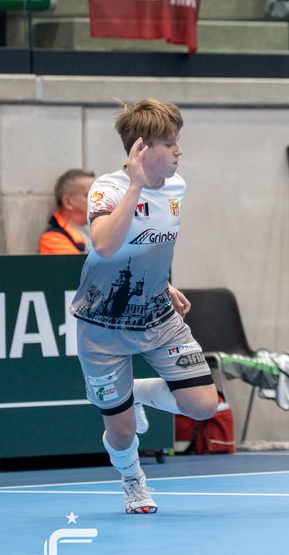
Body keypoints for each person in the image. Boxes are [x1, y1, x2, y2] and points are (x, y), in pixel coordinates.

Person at [70, 99, 218, 514]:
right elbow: (104, 245)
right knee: (120, 433)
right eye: (169, 143)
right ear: (141, 148)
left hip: (157, 316)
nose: (178, 150)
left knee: (204, 405)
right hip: (102, 324)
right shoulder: (109, 189)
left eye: (177, 141)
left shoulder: (176, 187)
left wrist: (163, 283)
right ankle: (133, 480)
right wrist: (135, 186)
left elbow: (150, 243)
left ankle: (131, 394)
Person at [39, 169, 95, 254]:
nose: (98, 199)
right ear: (68, 202)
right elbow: (77, 263)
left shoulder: (100, 228)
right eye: (90, 195)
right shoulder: (52, 239)